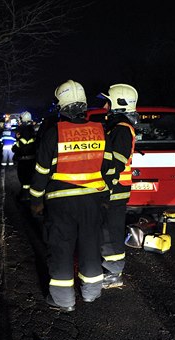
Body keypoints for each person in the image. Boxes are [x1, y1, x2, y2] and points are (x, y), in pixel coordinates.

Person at [29, 80, 114, 312]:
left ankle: (63, 300)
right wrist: (104, 198)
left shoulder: (52, 134)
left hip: (61, 204)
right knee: (90, 245)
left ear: (61, 106)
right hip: (92, 201)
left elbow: (41, 173)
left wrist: (36, 201)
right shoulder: (100, 132)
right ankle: (91, 293)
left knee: (61, 249)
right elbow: (106, 169)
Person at [98, 84, 139, 289]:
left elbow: (116, 163)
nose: (105, 105)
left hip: (115, 190)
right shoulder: (118, 127)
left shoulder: (121, 129)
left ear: (118, 104)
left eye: (108, 101)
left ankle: (114, 273)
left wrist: (105, 190)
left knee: (110, 231)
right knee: (108, 230)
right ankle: (112, 269)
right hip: (116, 188)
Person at [12, 111, 37, 200]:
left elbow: (22, 145)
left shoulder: (24, 130)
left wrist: (14, 148)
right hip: (32, 160)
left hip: (24, 161)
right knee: (30, 178)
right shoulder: (32, 129)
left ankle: (25, 196)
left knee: (25, 179)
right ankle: (29, 195)